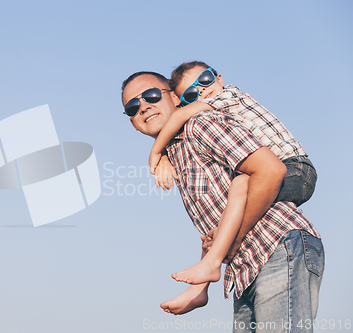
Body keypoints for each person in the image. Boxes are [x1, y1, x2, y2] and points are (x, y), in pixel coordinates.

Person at [121, 71, 324, 331]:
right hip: (244, 268)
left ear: (175, 98)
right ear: (131, 121)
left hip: (276, 244)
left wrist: (233, 241)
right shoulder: (179, 152)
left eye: (150, 95)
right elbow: (217, 223)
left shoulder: (201, 125)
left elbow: (271, 171)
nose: (144, 106)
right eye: (132, 106)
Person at [146, 61, 317, 287]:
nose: (202, 91)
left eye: (204, 80)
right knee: (221, 222)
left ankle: (214, 261)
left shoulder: (227, 97)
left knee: (240, 185)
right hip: (289, 173)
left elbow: (179, 116)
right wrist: (167, 156)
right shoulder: (210, 113)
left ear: (219, 78)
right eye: (191, 93)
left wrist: (155, 152)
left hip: (296, 169)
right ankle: (200, 286)